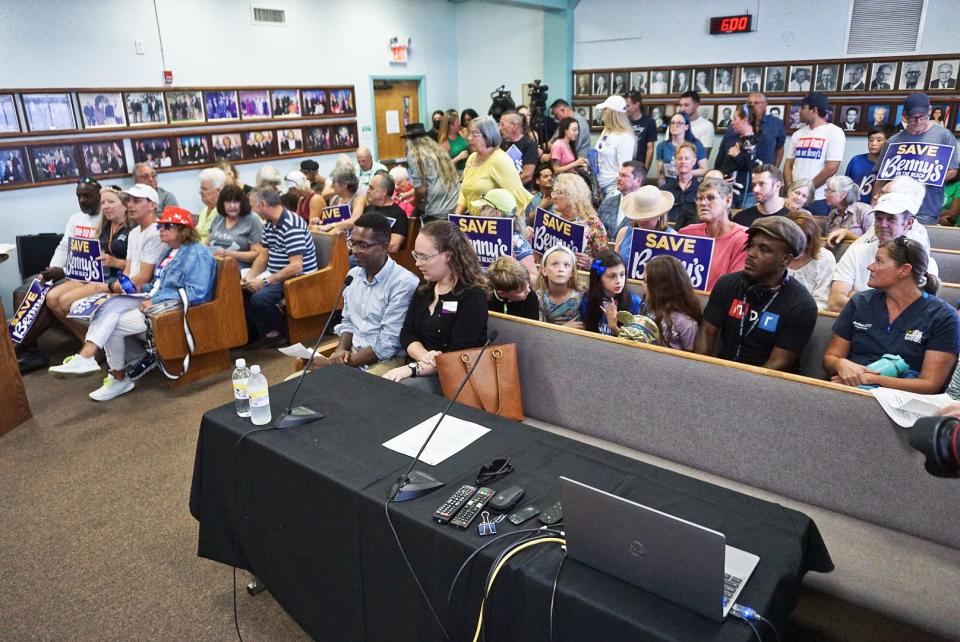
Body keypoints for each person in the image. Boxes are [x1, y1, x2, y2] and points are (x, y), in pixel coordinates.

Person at [49, 207, 217, 399]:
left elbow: (198, 293)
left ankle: (113, 374)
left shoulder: (197, 254)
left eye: (167, 226)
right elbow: (158, 284)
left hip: (172, 310)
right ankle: (91, 360)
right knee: (107, 306)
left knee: (112, 321)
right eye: (160, 226)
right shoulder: (172, 251)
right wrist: (138, 290)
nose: (161, 230)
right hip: (155, 301)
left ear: (183, 230)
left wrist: (155, 299)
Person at [824, 237, 958, 394]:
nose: (870, 267)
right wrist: (840, 364)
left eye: (879, 261)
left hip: (902, 399)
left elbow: (929, 384)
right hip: (845, 389)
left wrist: (869, 379)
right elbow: (830, 357)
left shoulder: (943, 317)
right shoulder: (860, 302)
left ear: (904, 270)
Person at [695, 216, 817, 371]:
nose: (751, 253)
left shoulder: (802, 305)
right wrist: (701, 371)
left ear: (785, 260)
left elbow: (779, 363)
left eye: (763, 249)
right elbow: (706, 331)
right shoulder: (727, 284)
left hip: (768, 383)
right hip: (721, 371)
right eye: (751, 246)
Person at [305, 213, 419, 375]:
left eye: (363, 245)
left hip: (386, 361)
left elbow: (387, 345)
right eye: (352, 243)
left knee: (339, 392)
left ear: (384, 246)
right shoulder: (353, 275)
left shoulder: (403, 282)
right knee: (297, 382)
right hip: (350, 355)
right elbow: (348, 321)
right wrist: (340, 350)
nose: (355, 251)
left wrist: (336, 363)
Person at [383, 221, 489, 393]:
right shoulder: (424, 291)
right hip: (422, 366)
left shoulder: (472, 297)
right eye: (416, 255)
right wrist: (425, 356)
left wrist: (411, 369)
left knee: (403, 388)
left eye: (424, 257)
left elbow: (457, 355)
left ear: (449, 255)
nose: (418, 263)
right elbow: (407, 334)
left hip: (454, 377)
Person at [13, 177, 104, 368]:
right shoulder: (75, 219)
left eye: (87, 196)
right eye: (79, 196)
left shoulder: (106, 218)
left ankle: (16, 350)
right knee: (23, 290)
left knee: (48, 297)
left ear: (99, 194)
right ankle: (27, 350)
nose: (82, 201)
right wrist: (51, 270)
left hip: (87, 276)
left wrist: (62, 272)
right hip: (68, 273)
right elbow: (64, 248)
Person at [45, 186, 133, 339]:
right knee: (52, 298)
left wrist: (116, 262)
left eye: (110, 202)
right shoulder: (104, 226)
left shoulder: (133, 229)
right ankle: (86, 339)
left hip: (117, 278)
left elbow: (140, 266)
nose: (105, 206)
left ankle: (93, 343)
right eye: (103, 202)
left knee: (65, 302)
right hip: (96, 274)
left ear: (125, 204)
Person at [827, 191, 937, 311]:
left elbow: (918, 311)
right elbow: (835, 302)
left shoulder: (925, 262)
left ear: (908, 223)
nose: (882, 224)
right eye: (879, 218)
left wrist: (857, 297)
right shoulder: (857, 252)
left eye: (891, 219)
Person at [242, 188, 319, 347]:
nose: (253, 211)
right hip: (277, 273)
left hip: (298, 278)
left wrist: (264, 282)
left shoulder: (291, 224)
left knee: (259, 297)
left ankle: (283, 332)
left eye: (253, 206)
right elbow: (263, 255)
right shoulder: (270, 224)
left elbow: (296, 267)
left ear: (263, 204)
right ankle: (269, 333)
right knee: (244, 290)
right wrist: (251, 276)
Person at [872, 93, 959, 224]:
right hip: (893, 207)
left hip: (925, 208)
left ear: (929, 111)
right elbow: (881, 176)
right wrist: (874, 202)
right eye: (914, 117)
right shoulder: (893, 141)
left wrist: (917, 184)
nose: (918, 121)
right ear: (905, 116)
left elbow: (952, 171)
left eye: (923, 117)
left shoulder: (944, 136)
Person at [678, 178, 749, 291]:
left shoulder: (743, 237)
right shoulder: (687, 233)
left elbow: (734, 286)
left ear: (728, 201)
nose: (703, 203)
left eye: (710, 198)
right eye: (699, 198)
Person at [783, 92, 845, 215]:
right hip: (794, 198)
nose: (799, 111)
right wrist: (791, 189)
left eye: (803, 108)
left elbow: (832, 168)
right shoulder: (798, 134)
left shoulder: (834, 132)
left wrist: (807, 190)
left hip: (818, 199)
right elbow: (788, 164)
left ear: (813, 110)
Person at [456, 115, 532, 215]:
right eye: (469, 133)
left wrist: (521, 224)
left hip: (496, 224)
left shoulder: (499, 159)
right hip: (475, 224)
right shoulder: (472, 158)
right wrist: (456, 216)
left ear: (488, 136)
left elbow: (517, 194)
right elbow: (465, 191)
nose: (469, 138)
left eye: (474, 134)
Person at [470, 188, 537, 285]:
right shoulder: (474, 237)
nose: (479, 211)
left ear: (496, 213)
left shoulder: (517, 243)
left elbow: (535, 280)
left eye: (483, 207)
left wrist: (514, 267)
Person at [543, 173, 608, 269]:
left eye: (560, 193)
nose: (554, 197)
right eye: (554, 192)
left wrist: (591, 264)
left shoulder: (592, 223)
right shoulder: (551, 220)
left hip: (583, 279)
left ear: (574, 196)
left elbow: (605, 266)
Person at [401, 122, 460, 223]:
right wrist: (407, 194)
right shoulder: (438, 150)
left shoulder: (414, 153)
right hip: (454, 204)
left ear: (408, 140)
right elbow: (434, 180)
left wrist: (414, 202)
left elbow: (421, 190)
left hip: (437, 209)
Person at [641, 255, 702, 351]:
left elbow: (690, 358)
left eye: (645, 281)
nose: (642, 285)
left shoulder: (686, 323)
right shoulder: (647, 306)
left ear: (660, 287)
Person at [580, 250, 641, 337]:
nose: (619, 281)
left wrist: (614, 327)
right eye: (612, 276)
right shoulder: (587, 300)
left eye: (622, 274)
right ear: (598, 278)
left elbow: (635, 343)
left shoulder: (635, 302)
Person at [613, 185, 675, 268]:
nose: (641, 220)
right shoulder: (623, 233)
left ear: (660, 215)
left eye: (646, 217)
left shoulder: (673, 238)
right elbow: (615, 267)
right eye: (638, 215)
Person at [714, 104, 763, 208]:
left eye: (735, 119)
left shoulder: (759, 140)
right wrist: (719, 178)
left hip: (747, 192)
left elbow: (756, 167)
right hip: (726, 190)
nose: (732, 122)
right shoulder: (730, 137)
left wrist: (738, 155)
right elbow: (720, 161)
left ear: (744, 120)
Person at [788, 210, 836, 310]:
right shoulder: (775, 253)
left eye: (802, 244)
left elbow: (822, 302)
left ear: (811, 241)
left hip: (807, 314)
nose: (796, 249)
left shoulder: (825, 258)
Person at [207, 184, 263, 269]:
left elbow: (257, 254)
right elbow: (207, 243)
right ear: (222, 204)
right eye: (228, 202)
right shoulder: (219, 217)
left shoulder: (252, 220)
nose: (232, 206)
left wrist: (228, 253)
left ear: (242, 203)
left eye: (236, 202)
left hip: (238, 268)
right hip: (213, 263)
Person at [593, 95, 637, 197]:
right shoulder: (607, 130)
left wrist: (617, 196)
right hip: (599, 186)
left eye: (605, 110)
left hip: (612, 188)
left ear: (611, 113)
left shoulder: (625, 137)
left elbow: (624, 168)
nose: (603, 113)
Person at [845, 125, 894, 204]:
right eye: (871, 140)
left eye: (879, 140)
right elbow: (846, 186)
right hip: (854, 206)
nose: (873, 143)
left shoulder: (891, 165)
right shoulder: (856, 160)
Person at [362, 173, 409, 253]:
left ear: (384, 191)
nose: (368, 191)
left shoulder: (399, 215)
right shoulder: (368, 209)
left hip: (375, 257)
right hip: (359, 251)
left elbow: (393, 246)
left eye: (371, 188)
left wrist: (365, 250)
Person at [597, 161, 647, 238]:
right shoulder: (607, 203)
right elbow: (597, 232)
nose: (618, 178)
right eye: (619, 174)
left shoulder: (647, 208)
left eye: (624, 175)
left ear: (638, 180)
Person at [537, 244, 583, 326]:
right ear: (544, 271)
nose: (561, 269)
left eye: (566, 265)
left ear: (572, 273)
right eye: (555, 264)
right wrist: (564, 328)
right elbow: (539, 331)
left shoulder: (581, 296)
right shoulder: (539, 298)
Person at [656, 112, 707, 185]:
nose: (675, 125)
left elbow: (704, 170)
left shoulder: (696, 144)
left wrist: (683, 172)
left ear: (686, 127)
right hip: (669, 185)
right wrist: (661, 187)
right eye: (672, 123)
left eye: (679, 123)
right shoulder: (662, 146)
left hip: (690, 185)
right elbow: (660, 173)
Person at [824, 176, 873, 246]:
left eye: (829, 191)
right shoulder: (832, 214)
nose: (825, 195)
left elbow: (873, 241)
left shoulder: (864, 211)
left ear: (843, 195)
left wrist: (848, 235)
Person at [315, 166, 366, 233]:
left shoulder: (359, 199)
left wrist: (333, 225)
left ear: (344, 185)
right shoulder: (335, 199)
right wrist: (319, 222)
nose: (332, 186)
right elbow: (328, 223)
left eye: (334, 183)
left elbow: (355, 220)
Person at [487, 256, 539, 320]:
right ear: (502, 293)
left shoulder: (531, 297)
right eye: (521, 291)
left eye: (528, 285)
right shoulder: (485, 297)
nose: (528, 290)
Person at [661, 144, 700, 229]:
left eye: (686, 158)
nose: (683, 161)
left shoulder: (701, 190)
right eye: (680, 158)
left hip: (692, 233)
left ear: (694, 161)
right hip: (668, 231)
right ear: (675, 161)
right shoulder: (665, 189)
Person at [499, 109, 539, 188]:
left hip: (522, 193)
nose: (500, 128)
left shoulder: (529, 144)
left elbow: (527, 175)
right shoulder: (501, 144)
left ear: (514, 125)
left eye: (502, 125)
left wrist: (505, 187)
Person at [623, 91, 657, 169]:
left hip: (639, 166)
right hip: (623, 164)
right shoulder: (623, 121)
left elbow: (650, 149)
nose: (625, 109)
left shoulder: (649, 122)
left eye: (627, 106)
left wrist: (645, 170)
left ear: (637, 105)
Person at [194, 167, 226, 244]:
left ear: (218, 191)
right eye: (201, 188)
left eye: (204, 189)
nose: (200, 192)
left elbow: (218, 242)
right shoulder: (204, 210)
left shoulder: (224, 211)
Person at [678, 91, 715, 155]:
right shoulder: (674, 124)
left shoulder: (707, 126)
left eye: (686, 105)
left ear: (696, 105)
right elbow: (668, 150)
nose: (682, 109)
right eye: (681, 105)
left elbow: (704, 155)